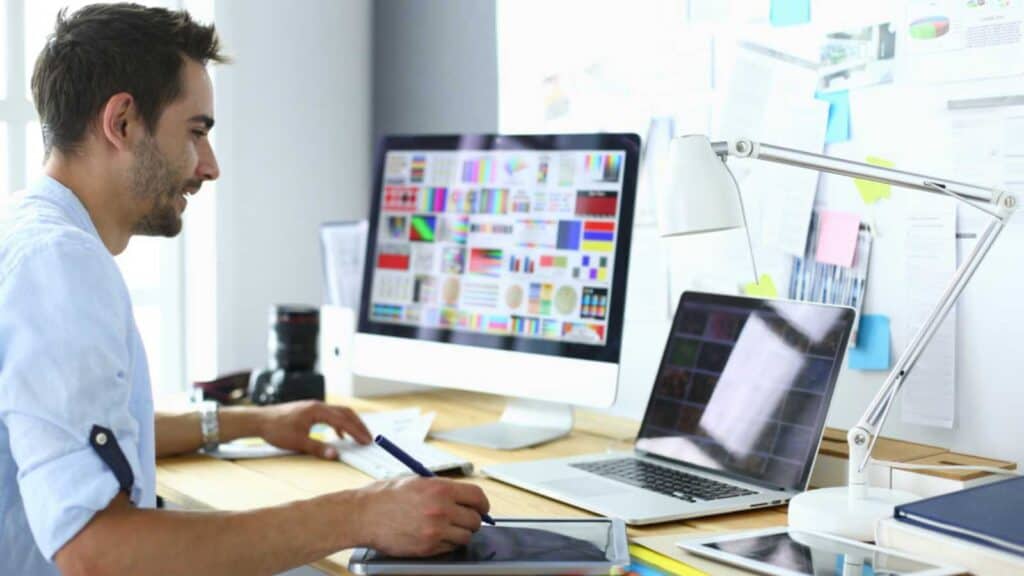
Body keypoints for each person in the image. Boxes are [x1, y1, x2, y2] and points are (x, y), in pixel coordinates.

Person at [0, 4, 490, 575]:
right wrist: (362, 513)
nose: (210, 166)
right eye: (196, 132)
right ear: (123, 122)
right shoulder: (63, 265)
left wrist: (251, 422)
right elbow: (98, 553)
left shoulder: (27, 233)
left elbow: (83, 434)